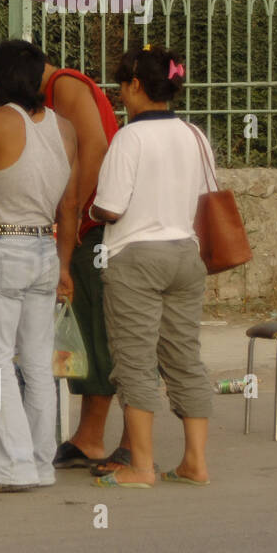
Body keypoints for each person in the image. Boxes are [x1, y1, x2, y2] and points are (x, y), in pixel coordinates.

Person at [0, 40, 78, 493]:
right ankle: (42, 464)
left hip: (5, 249)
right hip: (46, 251)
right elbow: (71, 206)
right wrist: (64, 267)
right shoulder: (65, 130)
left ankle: (14, 465)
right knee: (39, 365)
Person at [90, 46, 212, 488]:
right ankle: (195, 463)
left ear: (136, 85)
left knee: (135, 361)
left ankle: (141, 466)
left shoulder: (130, 138)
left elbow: (111, 208)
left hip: (136, 258)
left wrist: (91, 211)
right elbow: (204, 196)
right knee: (184, 357)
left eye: (121, 85)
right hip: (185, 253)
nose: (119, 95)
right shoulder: (194, 135)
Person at [38, 58, 132, 475]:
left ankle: (114, 440)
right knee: (92, 335)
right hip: (93, 226)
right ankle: (90, 436)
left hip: (94, 228)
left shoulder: (64, 86)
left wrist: (74, 211)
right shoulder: (64, 87)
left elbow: (94, 147)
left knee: (102, 336)